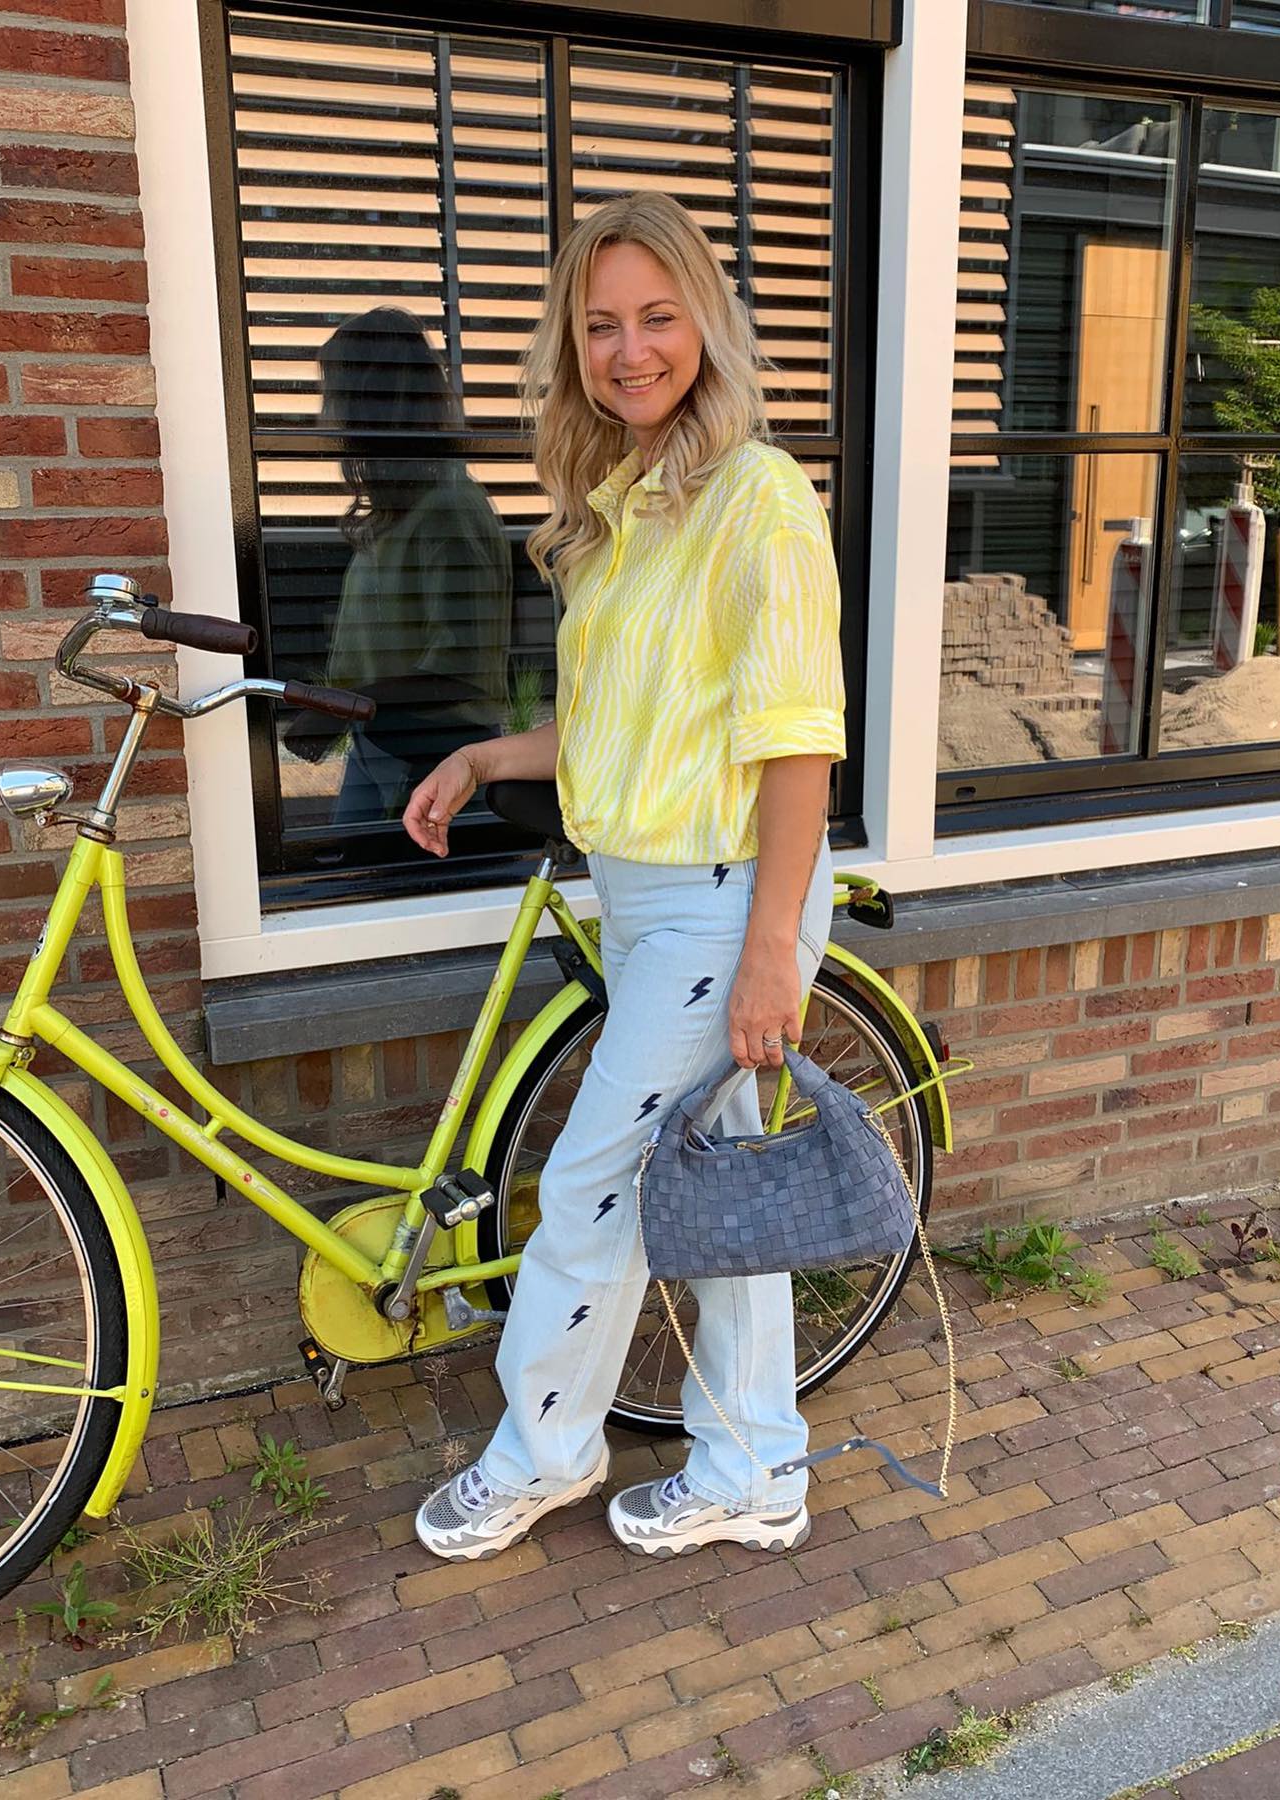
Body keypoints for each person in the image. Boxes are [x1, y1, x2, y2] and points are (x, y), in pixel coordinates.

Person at [402, 192, 846, 1560]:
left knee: (591, 1185)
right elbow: (621, 729)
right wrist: (487, 755)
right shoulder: (625, 509)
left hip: (725, 901)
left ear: (706, 326)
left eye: (657, 317)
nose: (629, 349)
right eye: (600, 326)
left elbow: (796, 744)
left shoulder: (758, 499)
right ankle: (757, 1467)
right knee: (711, 1189)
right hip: (650, 897)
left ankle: (543, 1451)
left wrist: (770, 950)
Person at [284, 305, 512, 823]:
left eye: (336, 396)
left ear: (373, 404)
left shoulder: (449, 510)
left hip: (438, 760)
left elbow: (463, 673)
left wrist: (342, 706)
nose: (326, 418)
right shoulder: (399, 510)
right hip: (381, 746)